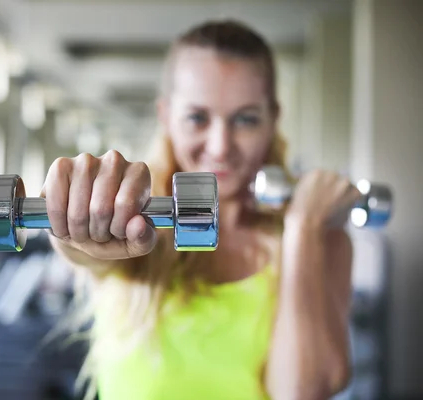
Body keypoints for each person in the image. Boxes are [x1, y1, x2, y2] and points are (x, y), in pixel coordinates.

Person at [41, 19, 361, 400]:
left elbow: (302, 393)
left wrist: (303, 228)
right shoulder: (136, 218)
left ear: (273, 119)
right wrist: (73, 220)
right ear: (166, 116)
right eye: (197, 118)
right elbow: (85, 248)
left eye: (245, 119)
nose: (221, 145)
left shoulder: (323, 241)